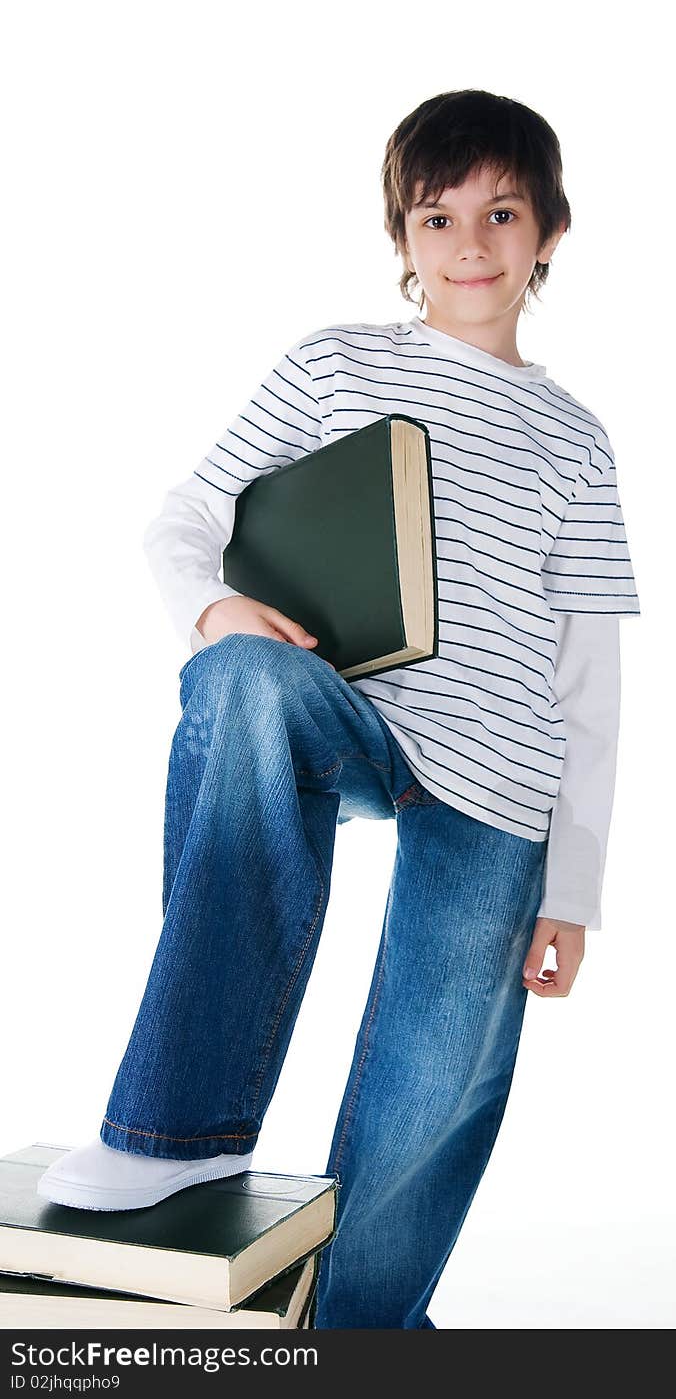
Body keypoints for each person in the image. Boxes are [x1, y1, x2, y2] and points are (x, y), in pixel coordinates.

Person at [37, 89, 640, 1328]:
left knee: (434, 1084)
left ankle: (362, 1332)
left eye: (500, 212)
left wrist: (574, 889)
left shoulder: (578, 440)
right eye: (437, 216)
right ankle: (179, 1126)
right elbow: (184, 519)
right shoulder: (336, 363)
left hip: (497, 774)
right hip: (342, 706)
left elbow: (588, 677)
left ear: (549, 234)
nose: (468, 242)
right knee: (239, 681)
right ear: (402, 237)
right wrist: (214, 612)